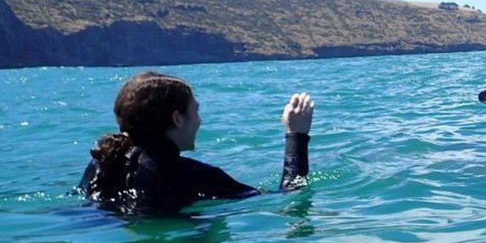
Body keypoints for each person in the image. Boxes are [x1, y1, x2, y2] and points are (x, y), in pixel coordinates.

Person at [79, 71, 314, 215]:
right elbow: (288, 196)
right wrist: (297, 135)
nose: (200, 121)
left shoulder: (101, 164)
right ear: (177, 119)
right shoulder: (194, 176)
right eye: (196, 111)